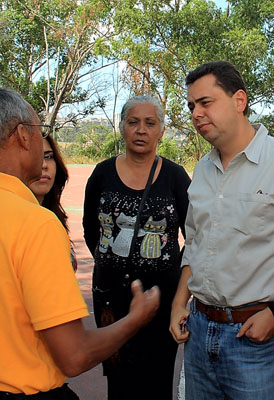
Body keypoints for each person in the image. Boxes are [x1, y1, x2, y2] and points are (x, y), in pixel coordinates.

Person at [0, 87, 159, 399]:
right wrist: (135, 318)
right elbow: (74, 355)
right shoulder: (36, 224)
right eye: (39, 129)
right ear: (23, 136)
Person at [169, 61, 274, 399]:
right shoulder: (203, 169)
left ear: (239, 100)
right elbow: (195, 242)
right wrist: (180, 303)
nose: (196, 113)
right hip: (199, 330)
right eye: (192, 105)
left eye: (206, 102)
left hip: (257, 339)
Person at [83, 95, 191, 399]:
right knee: (117, 380)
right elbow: (92, 229)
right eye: (133, 122)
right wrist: (112, 263)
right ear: (122, 128)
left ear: (161, 130)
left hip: (161, 297)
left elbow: (193, 235)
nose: (141, 130)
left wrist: (172, 275)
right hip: (110, 297)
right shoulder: (102, 174)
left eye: (150, 123)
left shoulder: (175, 177)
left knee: (156, 378)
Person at [29, 135, 77, 271]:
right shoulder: (14, 221)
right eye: (34, 158)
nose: (43, 165)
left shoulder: (53, 215)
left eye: (48, 157)